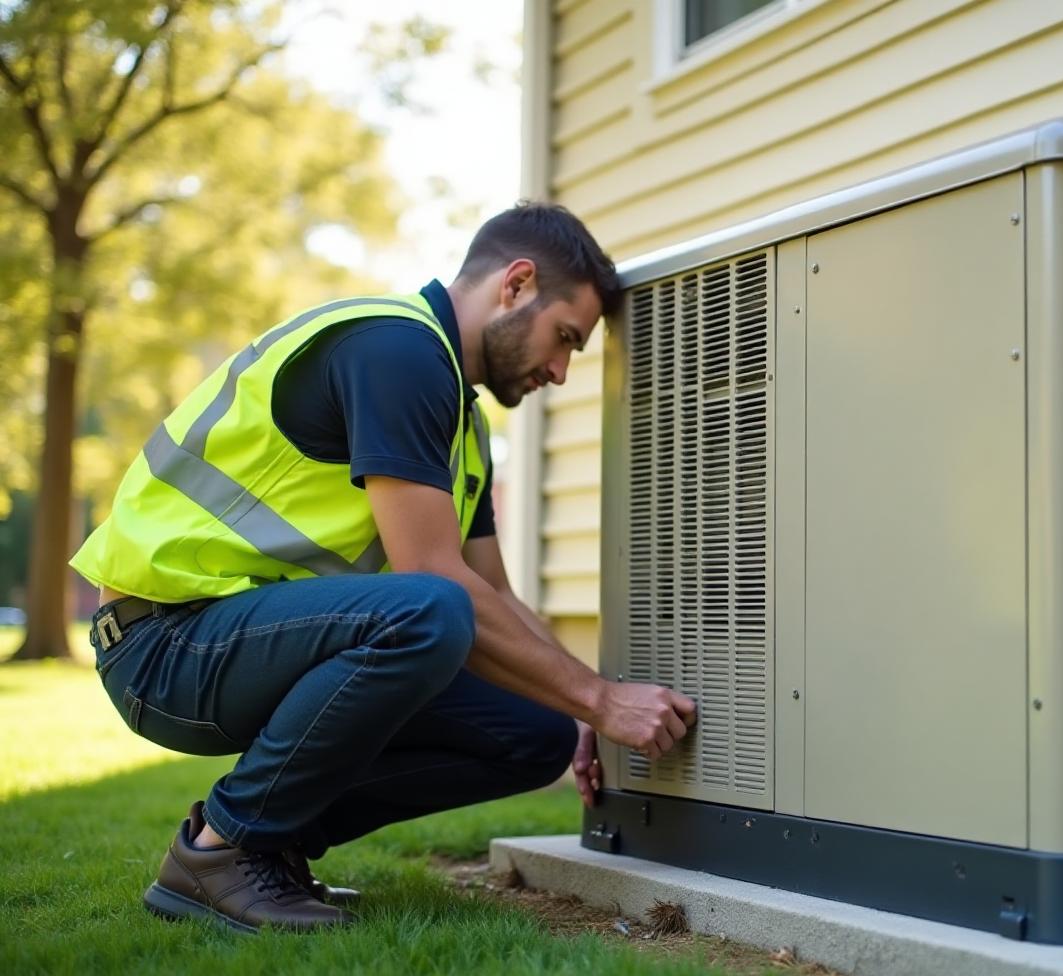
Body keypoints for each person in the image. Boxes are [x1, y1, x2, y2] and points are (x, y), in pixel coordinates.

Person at [69, 202, 696, 933]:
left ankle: (271, 847)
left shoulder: (463, 423)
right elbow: (434, 577)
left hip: (245, 641)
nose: (559, 371)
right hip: (162, 645)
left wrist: (579, 707)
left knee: (535, 734)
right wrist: (597, 697)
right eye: (564, 339)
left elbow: (492, 591)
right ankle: (220, 849)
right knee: (430, 610)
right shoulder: (395, 351)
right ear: (517, 284)